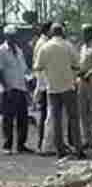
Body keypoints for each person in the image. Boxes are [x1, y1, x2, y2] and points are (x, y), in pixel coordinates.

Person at [34, 23, 83, 158]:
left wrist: (47, 76)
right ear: (62, 32)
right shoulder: (68, 46)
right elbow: (77, 65)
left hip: (52, 89)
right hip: (68, 87)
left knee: (56, 120)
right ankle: (78, 149)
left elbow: (38, 67)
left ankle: (59, 150)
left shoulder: (45, 47)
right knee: (73, 118)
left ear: (51, 33)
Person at [0, 25, 31, 154]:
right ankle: (7, 146)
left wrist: (28, 87)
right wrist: (6, 87)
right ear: (6, 36)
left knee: (23, 118)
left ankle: (21, 145)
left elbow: (24, 70)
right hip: (9, 89)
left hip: (21, 87)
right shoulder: (1, 50)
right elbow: (0, 71)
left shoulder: (18, 50)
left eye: (14, 36)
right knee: (8, 118)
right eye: (10, 36)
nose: (13, 38)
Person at [32, 21, 53, 153]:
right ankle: (41, 143)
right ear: (47, 30)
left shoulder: (43, 42)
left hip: (44, 83)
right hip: (45, 84)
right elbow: (40, 66)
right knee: (45, 115)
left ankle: (42, 143)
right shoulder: (43, 44)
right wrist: (42, 86)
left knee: (46, 114)